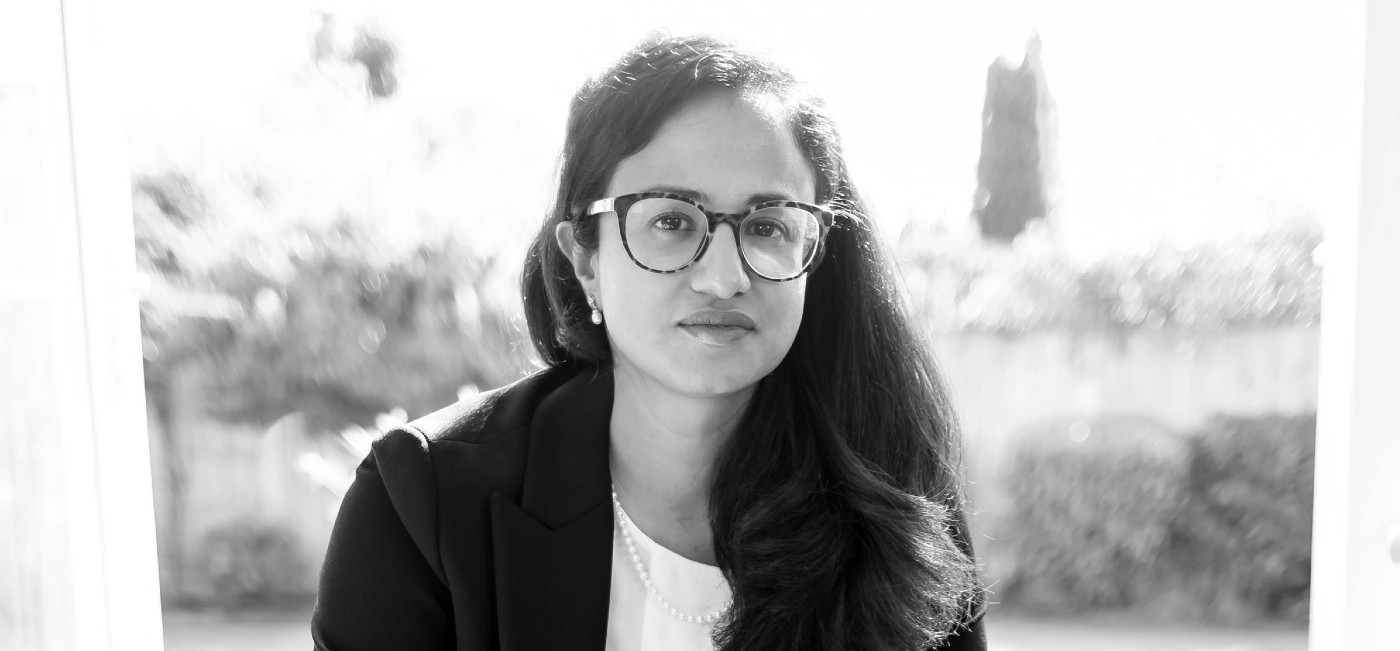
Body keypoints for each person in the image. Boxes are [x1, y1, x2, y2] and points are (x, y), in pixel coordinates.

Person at [312, 32, 987, 651]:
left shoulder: (897, 512)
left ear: (816, 255)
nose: (723, 277)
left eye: (768, 226)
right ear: (584, 259)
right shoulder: (420, 503)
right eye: (671, 221)